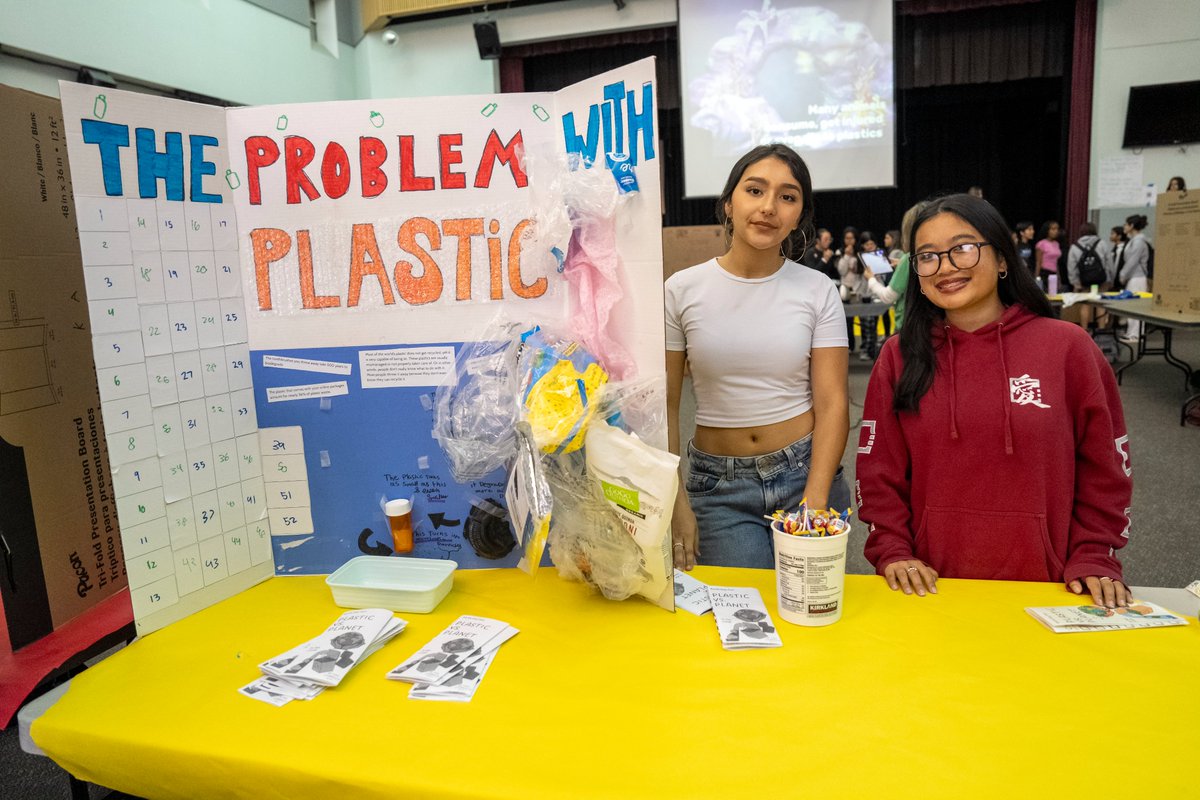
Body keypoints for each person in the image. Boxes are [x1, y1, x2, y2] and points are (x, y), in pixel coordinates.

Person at [856, 194, 1133, 608]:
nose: (945, 266)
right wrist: (893, 549)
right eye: (928, 256)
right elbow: (879, 471)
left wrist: (1095, 553)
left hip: (1051, 589)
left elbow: (1106, 467)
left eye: (963, 248)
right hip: (929, 589)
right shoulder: (900, 356)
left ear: (1002, 259)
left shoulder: (1068, 348)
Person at [665, 143, 851, 570]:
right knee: (744, 623)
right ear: (729, 204)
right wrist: (676, 500)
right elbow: (665, 406)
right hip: (718, 488)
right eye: (755, 190)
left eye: (787, 197)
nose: (769, 207)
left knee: (811, 617)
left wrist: (815, 502)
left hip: (805, 473)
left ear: (798, 216)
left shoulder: (817, 290)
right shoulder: (681, 289)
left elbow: (833, 402)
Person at [860, 203, 923, 332]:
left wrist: (871, 279)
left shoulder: (908, 259)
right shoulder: (925, 257)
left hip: (909, 327)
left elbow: (888, 297)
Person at [1066, 222, 1113, 330]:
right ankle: (1101, 330)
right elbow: (1109, 262)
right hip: (1101, 279)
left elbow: (1071, 266)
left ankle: (1085, 330)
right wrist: (1110, 278)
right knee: (1100, 304)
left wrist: (1075, 282)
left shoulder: (1075, 246)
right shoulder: (1102, 243)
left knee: (1085, 304)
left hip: (1084, 280)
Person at [1118, 214, 1151, 343]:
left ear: (1131, 226)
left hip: (1137, 277)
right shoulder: (1133, 241)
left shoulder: (1138, 241)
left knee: (1136, 307)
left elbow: (1132, 260)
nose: (1124, 227)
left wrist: (1123, 275)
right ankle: (1131, 332)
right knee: (1131, 307)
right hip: (1133, 276)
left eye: (1126, 224)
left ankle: (1135, 334)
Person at [1034, 220, 1062, 289]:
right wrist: (1036, 278)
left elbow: (1056, 262)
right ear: (1047, 230)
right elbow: (1038, 262)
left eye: (1057, 229)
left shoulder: (1056, 244)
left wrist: (1059, 279)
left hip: (1054, 273)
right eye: (1053, 229)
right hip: (1044, 273)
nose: (1056, 231)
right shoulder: (1041, 244)